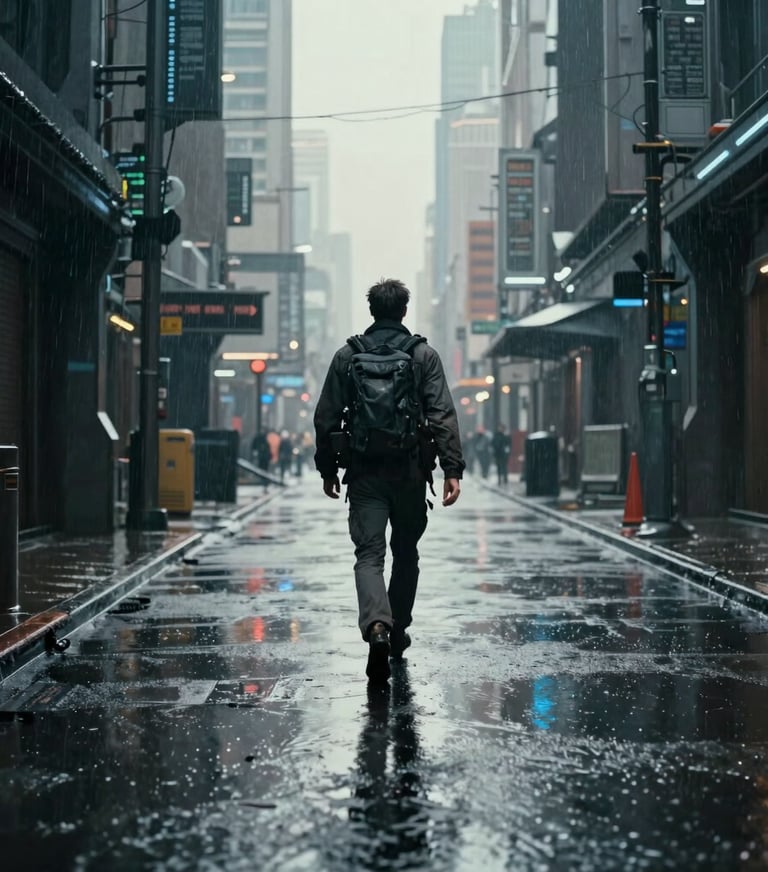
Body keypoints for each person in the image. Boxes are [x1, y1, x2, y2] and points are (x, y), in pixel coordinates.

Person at [314, 278, 464, 683]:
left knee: (368, 556)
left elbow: (326, 418)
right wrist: (452, 469)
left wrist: (329, 470)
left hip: (364, 473)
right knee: (407, 552)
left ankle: (377, 626)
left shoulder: (348, 356)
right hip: (411, 472)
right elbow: (442, 415)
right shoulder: (422, 355)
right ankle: (397, 631)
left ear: (372, 311)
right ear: (403, 311)